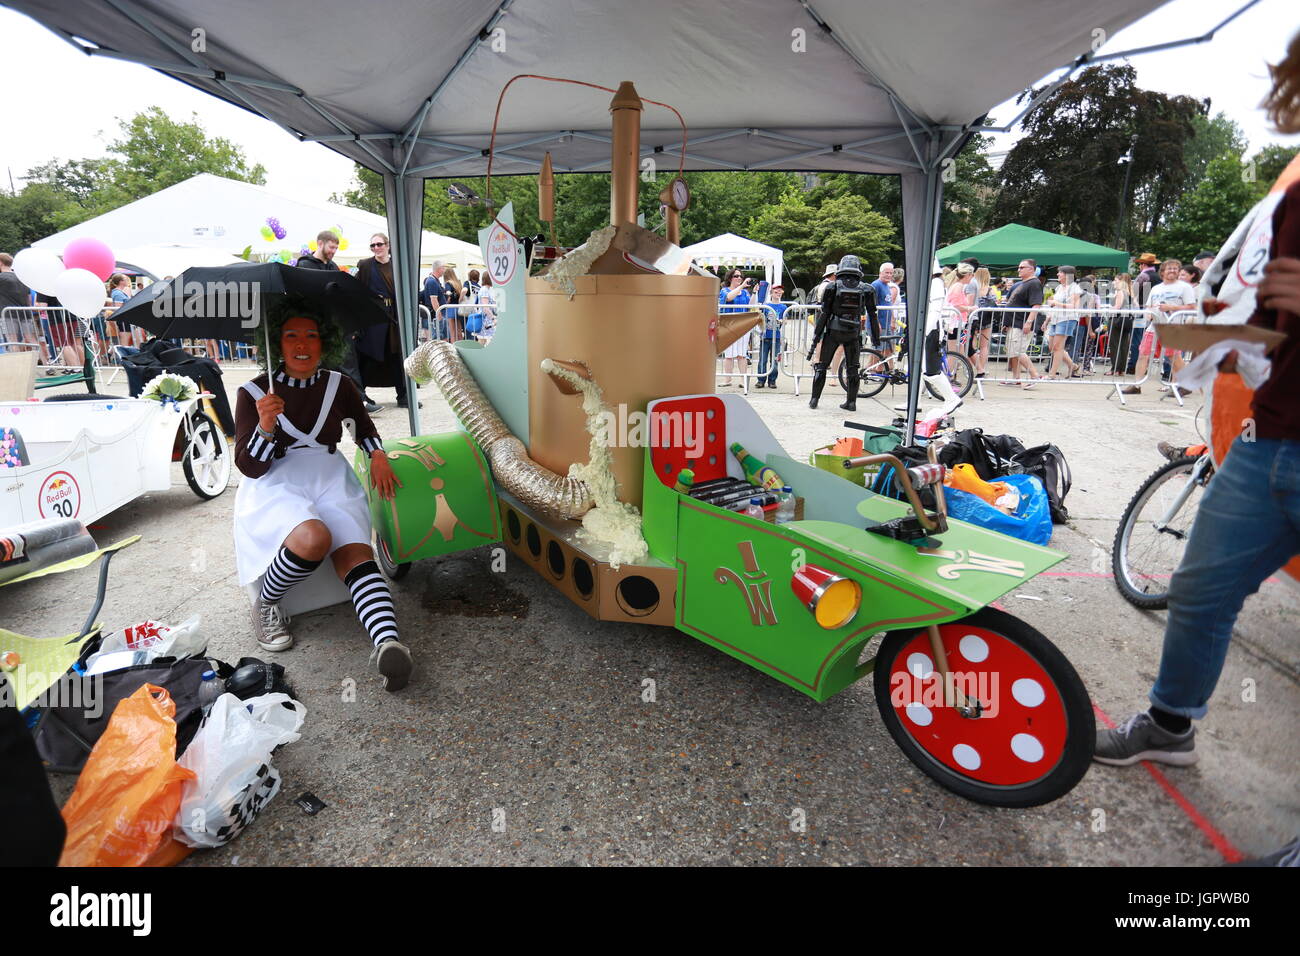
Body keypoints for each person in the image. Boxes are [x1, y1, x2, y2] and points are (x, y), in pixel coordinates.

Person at [1093, 30, 1300, 859]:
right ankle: (1169, 726)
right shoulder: (1291, 198)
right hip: (1273, 435)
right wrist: (1217, 334)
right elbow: (1278, 329)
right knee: (1202, 591)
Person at [234, 295, 412, 690]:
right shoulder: (252, 392)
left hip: (330, 475)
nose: (302, 345)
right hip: (275, 482)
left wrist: (378, 453)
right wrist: (265, 426)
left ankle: (388, 644)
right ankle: (266, 601)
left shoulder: (340, 384)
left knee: (356, 554)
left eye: (311, 336)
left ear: (324, 342)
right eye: (291, 335)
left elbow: (362, 429)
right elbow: (250, 466)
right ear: (276, 343)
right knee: (315, 538)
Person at [355, 233, 418, 410]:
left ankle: (403, 395)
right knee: (369, 357)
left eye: (379, 244)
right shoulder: (366, 265)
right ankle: (361, 395)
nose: (376, 248)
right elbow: (358, 290)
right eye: (372, 246)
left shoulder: (398, 265)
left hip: (394, 318)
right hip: (374, 319)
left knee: (397, 357)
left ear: (387, 245)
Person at [808, 254, 877, 412]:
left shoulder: (832, 286)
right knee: (853, 368)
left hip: (833, 330)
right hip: (853, 331)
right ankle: (851, 402)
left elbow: (824, 314)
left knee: (821, 366)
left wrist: (817, 335)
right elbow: (873, 315)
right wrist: (876, 338)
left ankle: (814, 399)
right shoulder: (866, 288)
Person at [1122, 259, 1195, 395]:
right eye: (1169, 268)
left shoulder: (1185, 288)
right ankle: (1137, 385)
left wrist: (1171, 307)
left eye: (1175, 268)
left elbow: (1192, 307)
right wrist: (1148, 314)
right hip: (1154, 326)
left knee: (1173, 356)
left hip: (1173, 326)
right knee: (1143, 353)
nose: (1172, 271)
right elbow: (1150, 305)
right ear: (1162, 272)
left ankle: (1184, 384)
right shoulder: (1156, 288)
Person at [1000, 259, 1046, 388]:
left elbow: (1036, 305)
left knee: (1018, 351)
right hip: (1013, 322)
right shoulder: (1022, 283)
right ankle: (1016, 378)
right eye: (1019, 267)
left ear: (1031, 269)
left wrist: (1028, 322)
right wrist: (1007, 322)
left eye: (1022, 267)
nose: (1019, 269)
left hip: (1022, 323)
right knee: (1012, 352)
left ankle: (1035, 376)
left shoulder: (1034, 283)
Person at [1044, 265, 1082, 378]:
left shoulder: (1075, 288)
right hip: (1056, 318)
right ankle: (1073, 366)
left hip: (1067, 319)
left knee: (1057, 347)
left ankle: (1052, 374)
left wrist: (1056, 303)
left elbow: (1075, 306)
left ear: (1067, 275)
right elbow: (1053, 304)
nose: (1057, 274)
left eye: (1059, 272)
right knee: (1052, 347)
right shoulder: (1059, 287)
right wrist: (1047, 320)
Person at [718, 269, 753, 387]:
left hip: (743, 324)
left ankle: (743, 380)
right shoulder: (724, 290)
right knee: (729, 355)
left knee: (741, 354)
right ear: (730, 278)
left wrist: (755, 293)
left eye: (740, 276)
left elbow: (751, 305)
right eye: (736, 276)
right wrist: (742, 286)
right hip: (729, 325)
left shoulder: (745, 292)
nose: (739, 278)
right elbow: (728, 298)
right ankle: (727, 380)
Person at [1127, 251, 1161, 373]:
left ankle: (1134, 365)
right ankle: (1143, 365)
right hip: (1154, 310)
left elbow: (1133, 292)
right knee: (1146, 339)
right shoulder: (1158, 277)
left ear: (1143, 264)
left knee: (1137, 338)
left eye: (1140, 264)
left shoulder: (1143, 276)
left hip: (1141, 309)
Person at [754, 282, 788, 388]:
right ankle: (761, 379)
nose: (778, 292)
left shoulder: (783, 307)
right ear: (771, 292)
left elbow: (786, 320)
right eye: (775, 290)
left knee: (774, 360)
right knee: (762, 360)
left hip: (777, 337)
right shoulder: (766, 305)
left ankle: (772, 380)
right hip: (765, 337)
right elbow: (759, 315)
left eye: (780, 290)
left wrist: (782, 321)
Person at [970, 267, 997, 376]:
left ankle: (973, 367)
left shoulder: (973, 288)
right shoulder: (990, 289)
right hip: (986, 319)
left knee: (970, 345)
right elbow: (995, 302)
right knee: (984, 346)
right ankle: (981, 368)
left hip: (973, 318)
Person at [1106, 273, 1135, 375]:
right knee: (1123, 345)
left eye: (1116, 280)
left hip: (1116, 319)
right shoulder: (1130, 292)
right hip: (1126, 319)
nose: (1114, 282)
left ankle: (1115, 368)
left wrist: (1108, 309)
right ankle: (1121, 369)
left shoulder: (1120, 292)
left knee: (1114, 344)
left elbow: (1117, 307)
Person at [422, 261, 449, 340]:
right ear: (439, 269)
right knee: (437, 339)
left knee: (443, 338)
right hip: (437, 315)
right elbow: (434, 300)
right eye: (443, 268)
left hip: (439, 314)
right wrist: (439, 315)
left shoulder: (434, 280)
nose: (444, 270)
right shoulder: (432, 282)